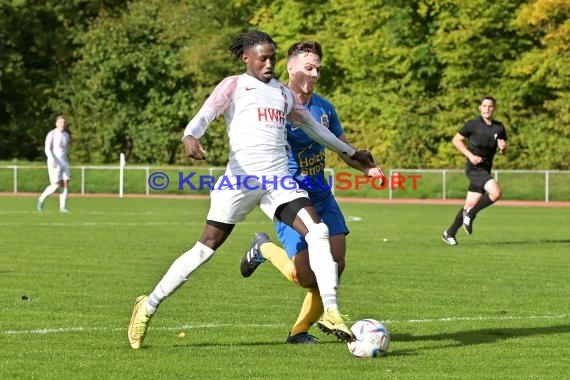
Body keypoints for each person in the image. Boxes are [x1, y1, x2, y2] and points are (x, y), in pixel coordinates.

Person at [128, 31, 378, 349]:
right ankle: (147, 307)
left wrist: (352, 153)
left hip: (278, 183)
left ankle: (330, 311)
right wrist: (190, 136)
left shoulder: (283, 96)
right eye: (263, 57)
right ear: (247, 58)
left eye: (273, 57)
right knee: (204, 249)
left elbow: (315, 129)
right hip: (241, 181)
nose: (269, 63)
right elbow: (206, 114)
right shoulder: (234, 86)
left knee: (318, 231)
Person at [239, 41, 384, 344]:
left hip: (321, 194)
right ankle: (263, 248)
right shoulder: (274, 106)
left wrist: (366, 168)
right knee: (304, 276)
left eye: (318, 67)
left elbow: (341, 146)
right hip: (289, 197)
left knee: (336, 263)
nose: (315, 73)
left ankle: (300, 331)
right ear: (290, 68)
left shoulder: (324, 107)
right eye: (309, 67)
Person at [442, 95, 508, 245]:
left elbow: (502, 148)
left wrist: (503, 148)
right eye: (484, 106)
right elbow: (456, 140)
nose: (487, 109)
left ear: (494, 109)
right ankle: (470, 215)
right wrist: (470, 155)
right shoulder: (472, 124)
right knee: (496, 192)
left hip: (485, 169)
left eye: (490, 106)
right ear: (480, 108)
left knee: (469, 204)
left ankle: (449, 233)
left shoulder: (499, 127)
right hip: (473, 168)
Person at [37, 115, 71, 213]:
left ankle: (63, 207)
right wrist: (52, 159)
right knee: (55, 185)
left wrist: (65, 161)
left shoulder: (66, 135)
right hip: (54, 163)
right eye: (60, 122)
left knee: (65, 183)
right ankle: (41, 199)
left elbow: (65, 150)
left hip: (64, 162)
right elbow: (47, 148)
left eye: (64, 122)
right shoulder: (52, 134)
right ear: (56, 123)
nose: (63, 124)